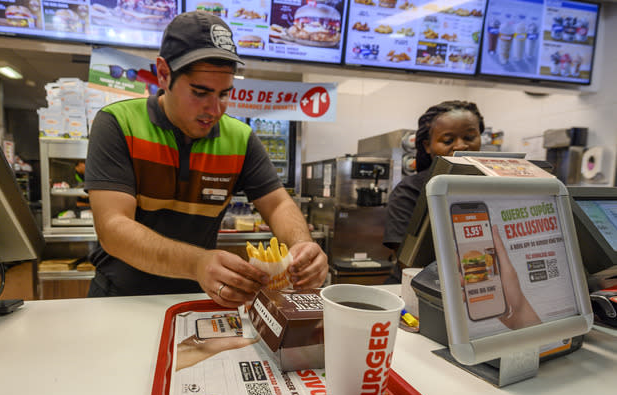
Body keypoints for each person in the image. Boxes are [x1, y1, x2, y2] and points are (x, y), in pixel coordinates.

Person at [84, 11, 328, 307]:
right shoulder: (118, 123)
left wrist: (303, 244)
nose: (215, 110)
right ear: (163, 74)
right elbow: (113, 227)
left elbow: (277, 203)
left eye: (224, 94)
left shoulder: (239, 137)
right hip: (120, 300)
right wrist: (197, 263)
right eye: (200, 93)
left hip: (199, 300)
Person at [383, 100, 485, 281]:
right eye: (448, 140)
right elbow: (409, 265)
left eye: (469, 138)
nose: (460, 146)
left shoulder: (493, 185)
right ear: (427, 146)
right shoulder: (409, 191)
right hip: (418, 290)